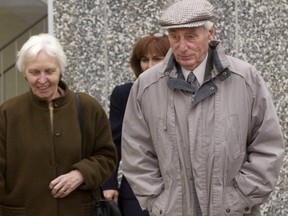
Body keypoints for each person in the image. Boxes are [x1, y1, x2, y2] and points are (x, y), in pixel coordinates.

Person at [121, 0, 285, 216]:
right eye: (174, 37)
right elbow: (136, 153)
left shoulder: (245, 79)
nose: (182, 46)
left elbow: (268, 147)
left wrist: (239, 199)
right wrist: (159, 202)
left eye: (190, 36)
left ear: (210, 33)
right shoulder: (147, 86)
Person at [0, 33, 117, 216]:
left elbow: (107, 157)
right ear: (24, 73)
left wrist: (81, 174)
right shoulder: (8, 113)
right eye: (34, 72)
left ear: (60, 70)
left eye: (49, 71)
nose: (42, 79)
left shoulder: (88, 107)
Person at [102, 33, 170, 216]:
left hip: (176, 189)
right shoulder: (124, 94)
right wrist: (109, 184)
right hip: (135, 190)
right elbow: (113, 143)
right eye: (144, 60)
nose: (149, 65)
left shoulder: (182, 93)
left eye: (157, 59)